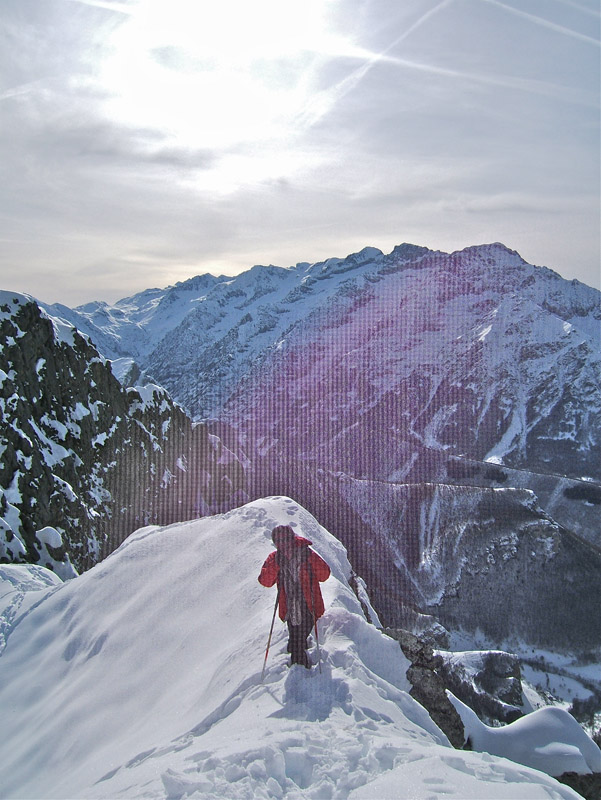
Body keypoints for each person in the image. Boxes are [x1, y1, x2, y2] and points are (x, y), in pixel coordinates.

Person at [258, 525, 331, 668]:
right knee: (295, 636)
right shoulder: (275, 558)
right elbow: (265, 581)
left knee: (297, 642)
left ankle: (301, 669)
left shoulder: (305, 552)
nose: (283, 544)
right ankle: (299, 651)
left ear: (292, 539)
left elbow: (325, 574)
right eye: (278, 541)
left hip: (310, 605)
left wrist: (309, 557)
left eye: (285, 539)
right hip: (290, 609)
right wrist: (275, 565)